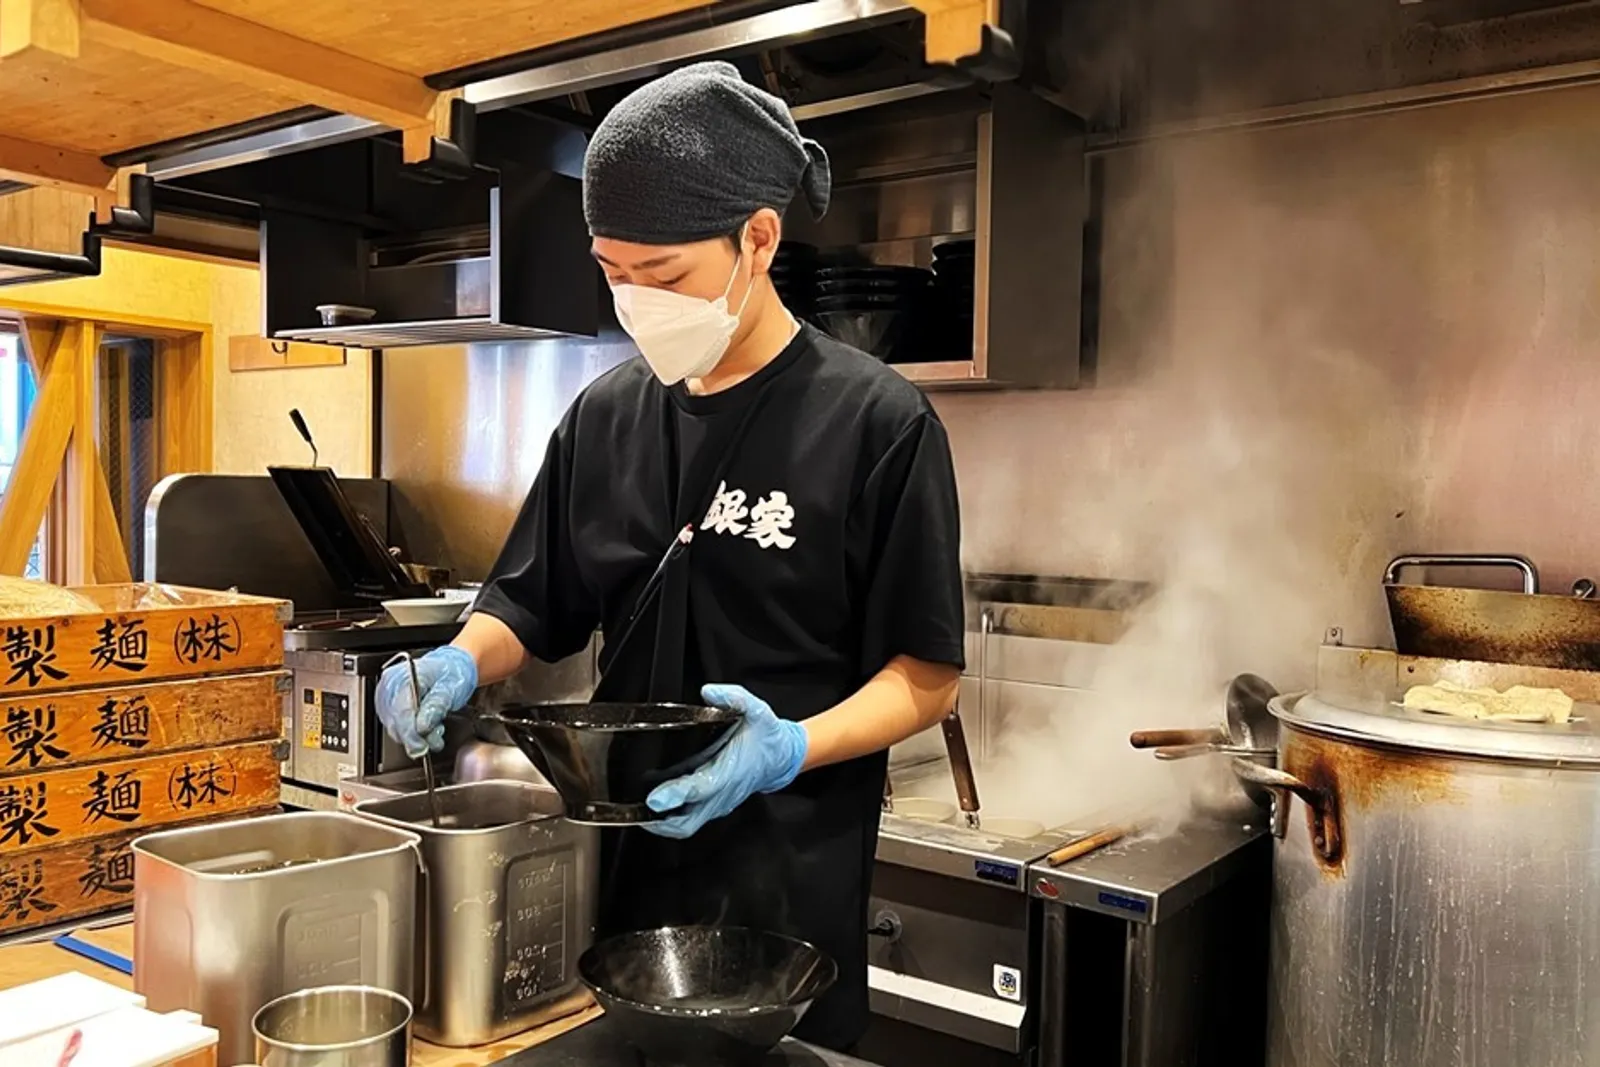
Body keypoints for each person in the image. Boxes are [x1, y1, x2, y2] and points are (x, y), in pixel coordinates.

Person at [374, 60, 965, 1052]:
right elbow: (528, 601)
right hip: (619, 890)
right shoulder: (603, 417)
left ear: (758, 239)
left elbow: (927, 676)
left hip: (790, 892)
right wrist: (456, 660)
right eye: (614, 271)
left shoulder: (877, 422)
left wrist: (788, 747)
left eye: (666, 274)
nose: (636, 299)